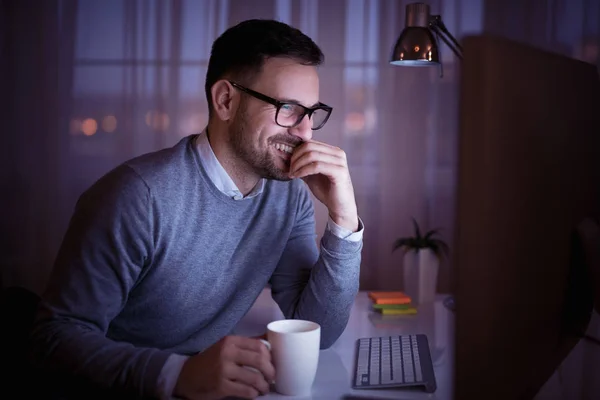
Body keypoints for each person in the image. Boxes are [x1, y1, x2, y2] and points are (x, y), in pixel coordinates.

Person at [29, 19, 363, 400]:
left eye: (311, 112)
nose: (305, 132)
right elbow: (53, 339)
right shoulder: (136, 197)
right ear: (225, 100)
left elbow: (317, 330)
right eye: (287, 108)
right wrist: (177, 374)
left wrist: (344, 221)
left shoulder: (289, 198)